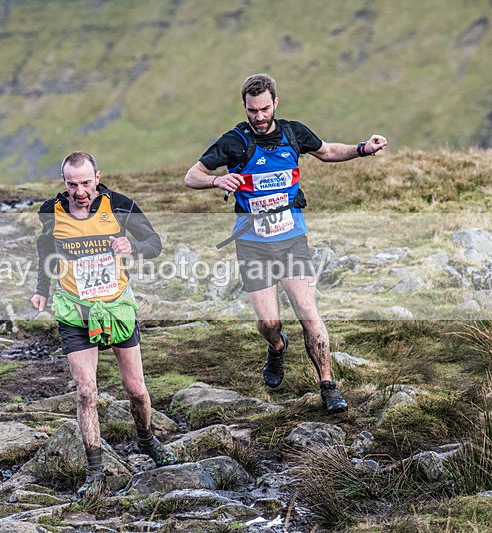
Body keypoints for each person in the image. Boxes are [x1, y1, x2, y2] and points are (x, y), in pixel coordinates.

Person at [184, 73, 387, 414]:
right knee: (268, 324)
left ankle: (328, 386)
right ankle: (277, 347)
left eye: (264, 109)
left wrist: (363, 149)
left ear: (275, 103)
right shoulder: (234, 141)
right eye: (252, 111)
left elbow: (327, 151)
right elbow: (191, 176)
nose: (259, 117)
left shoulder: (293, 133)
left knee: (309, 313)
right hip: (252, 243)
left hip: (293, 239)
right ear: (245, 108)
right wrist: (218, 179)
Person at [31, 151, 177, 497]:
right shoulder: (51, 212)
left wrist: (134, 245)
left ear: (97, 177)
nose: (79, 191)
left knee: (137, 390)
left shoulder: (122, 205)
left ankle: (147, 440)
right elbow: (45, 253)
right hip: (74, 311)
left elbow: (155, 244)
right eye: (71, 184)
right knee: (86, 392)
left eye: (85, 183)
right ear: (63, 182)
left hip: (117, 307)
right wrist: (41, 290)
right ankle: (95, 471)